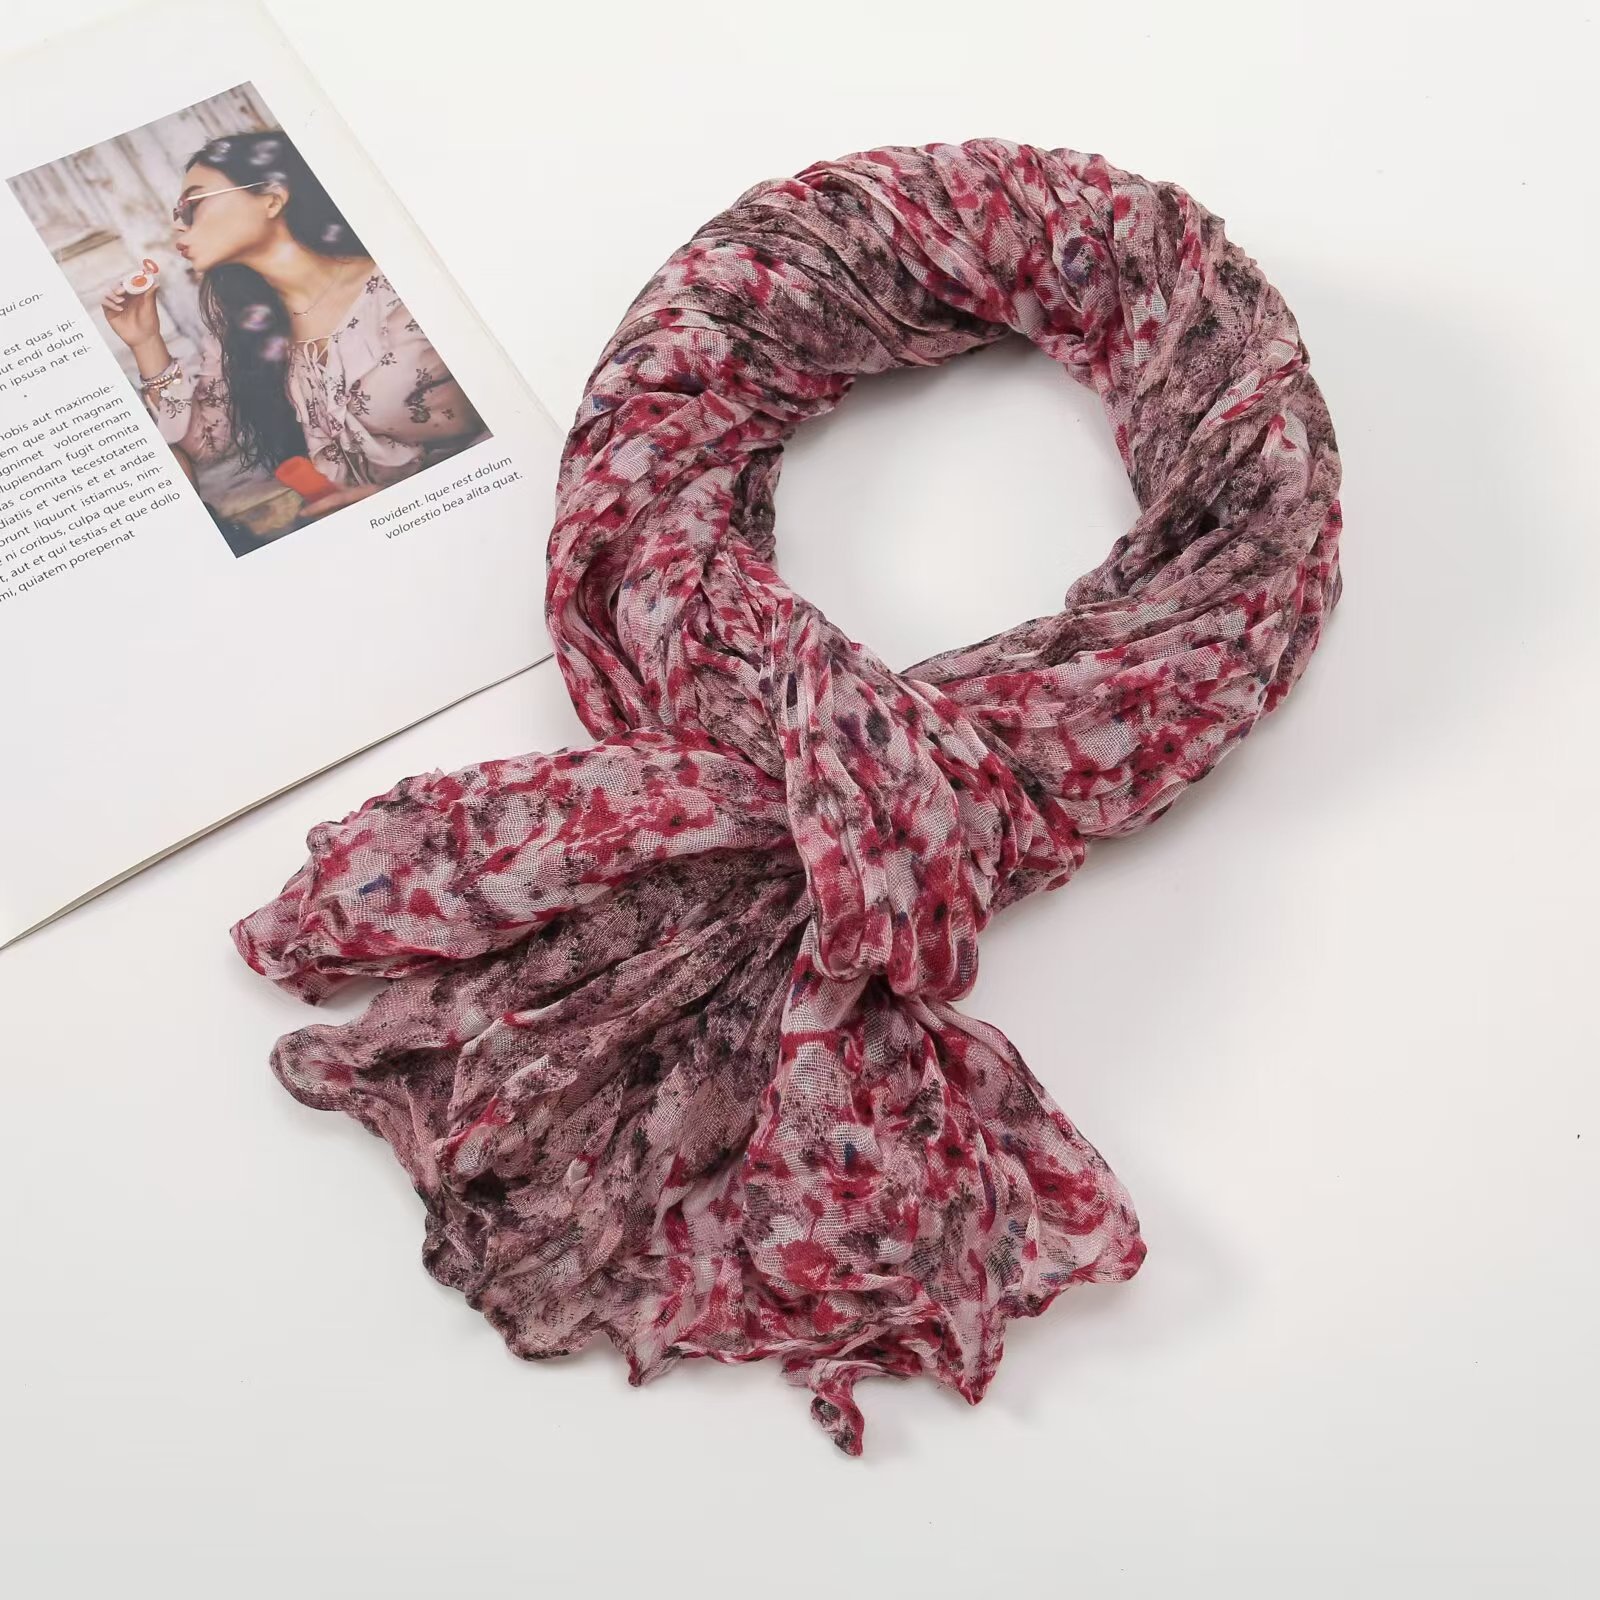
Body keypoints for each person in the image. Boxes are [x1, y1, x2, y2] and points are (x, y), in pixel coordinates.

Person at [100, 130, 486, 518]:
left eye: (192, 205)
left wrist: (410, 499)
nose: (178, 227)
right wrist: (145, 340)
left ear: (272, 199)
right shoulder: (241, 328)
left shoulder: (407, 285)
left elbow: (511, 415)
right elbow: (206, 443)